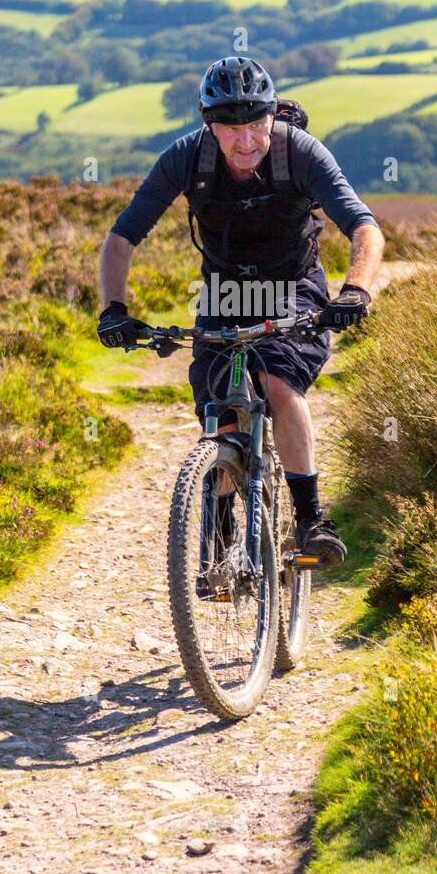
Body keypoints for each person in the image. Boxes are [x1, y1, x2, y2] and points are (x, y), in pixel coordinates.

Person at [97, 55, 385, 565]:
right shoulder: (186, 158)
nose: (246, 138)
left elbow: (364, 227)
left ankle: (310, 518)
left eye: (256, 122)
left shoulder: (301, 154)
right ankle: (220, 517)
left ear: (273, 116)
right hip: (225, 293)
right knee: (221, 407)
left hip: (294, 286)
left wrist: (355, 292)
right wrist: (112, 308)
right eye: (232, 126)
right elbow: (122, 236)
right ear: (210, 124)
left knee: (277, 382)